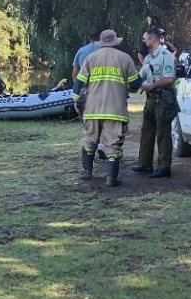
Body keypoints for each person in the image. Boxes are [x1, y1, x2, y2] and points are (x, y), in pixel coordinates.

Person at [73, 29, 142, 187]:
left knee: (89, 140)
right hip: (115, 110)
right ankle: (111, 178)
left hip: (92, 108)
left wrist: (76, 100)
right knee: (113, 144)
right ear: (115, 42)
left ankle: (86, 172)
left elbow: (78, 81)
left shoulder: (90, 58)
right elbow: (135, 84)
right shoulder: (125, 59)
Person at [132, 28, 179, 179]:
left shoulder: (166, 56)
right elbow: (141, 76)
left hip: (164, 98)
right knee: (147, 130)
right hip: (151, 98)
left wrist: (152, 86)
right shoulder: (148, 58)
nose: (143, 42)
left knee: (163, 132)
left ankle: (164, 167)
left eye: (145, 39)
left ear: (152, 39)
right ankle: (144, 163)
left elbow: (169, 78)